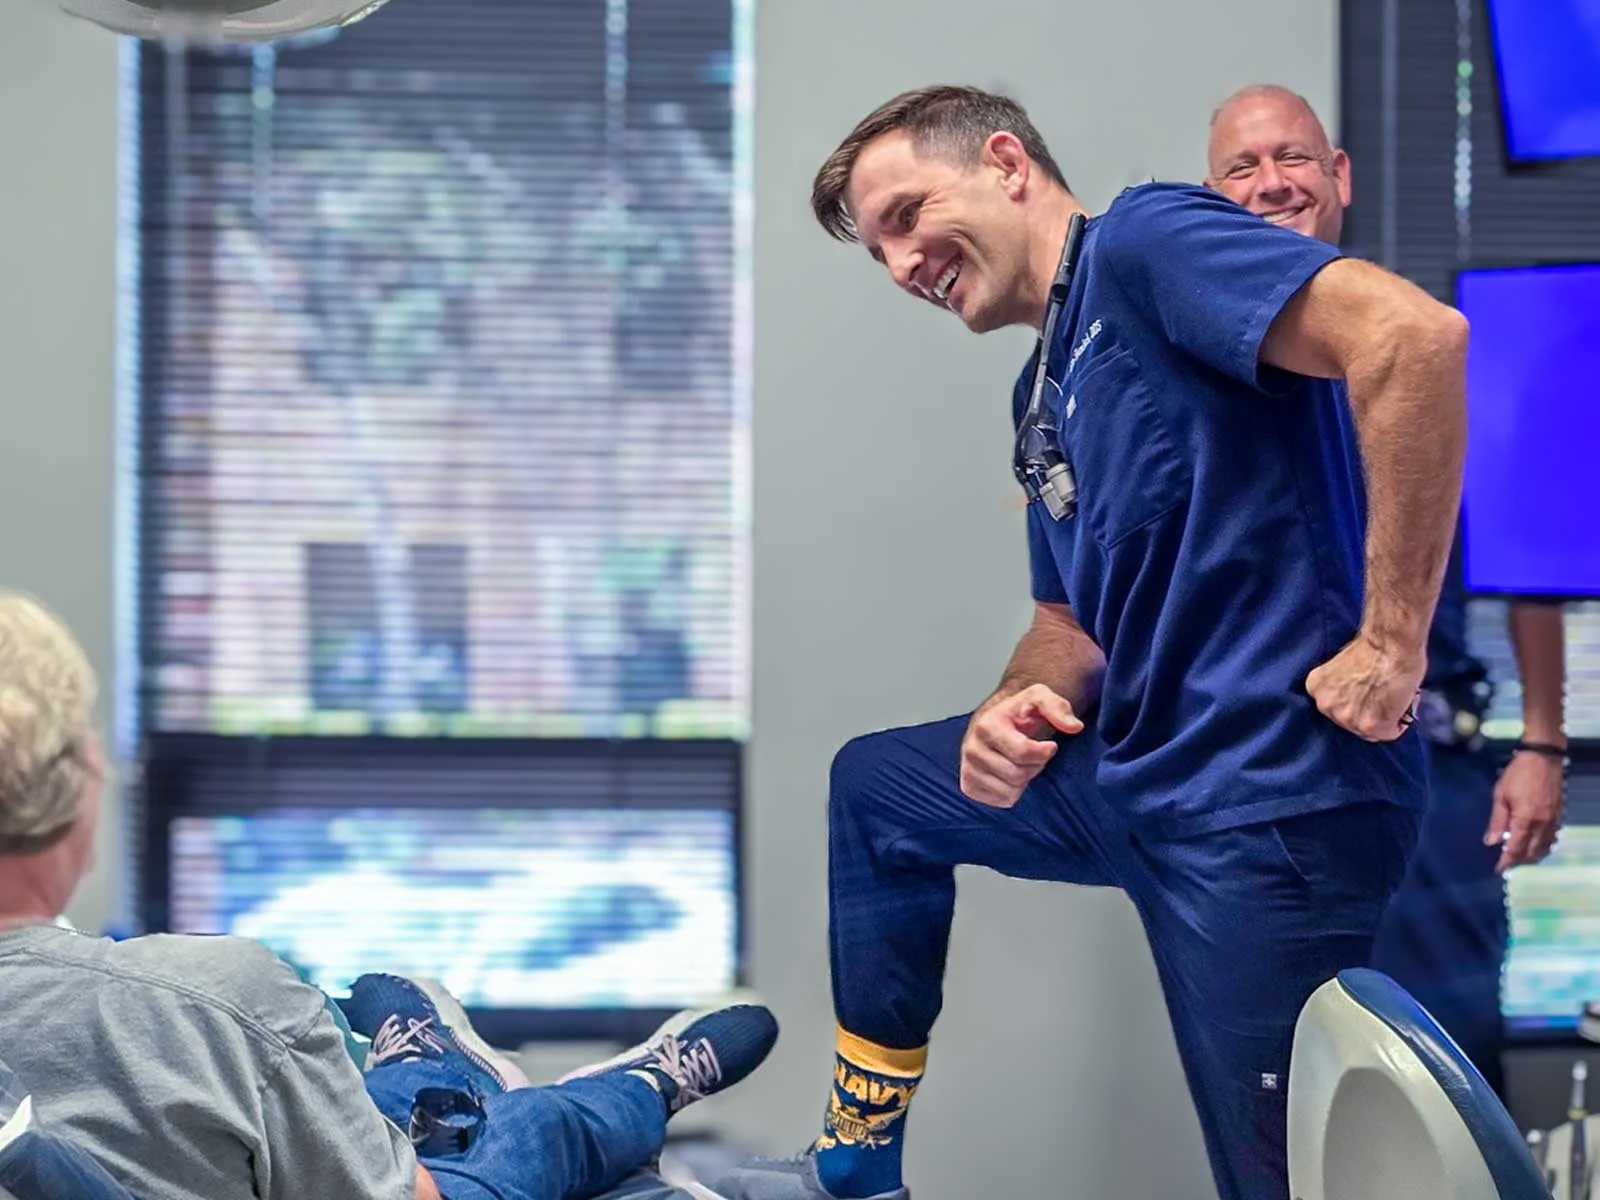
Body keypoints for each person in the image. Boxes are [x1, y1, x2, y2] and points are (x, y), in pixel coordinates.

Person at [708, 84, 1470, 1200]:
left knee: (1283, 1179)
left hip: (1269, 800)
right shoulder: (1040, 388)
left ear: (1006, 163)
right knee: (880, 790)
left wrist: (1391, 643)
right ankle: (858, 1156)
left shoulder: (1149, 242)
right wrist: (1011, 704)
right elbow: (1064, 625)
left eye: (909, 217)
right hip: (1144, 778)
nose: (901, 266)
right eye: (879, 250)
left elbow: (1412, 338)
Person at [0, 589, 775, 1200]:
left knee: (339, 1107)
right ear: (73, 783)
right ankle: (636, 1083)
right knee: (526, 1136)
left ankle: (424, 1055)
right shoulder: (215, 1008)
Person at [1203, 82, 1569, 1098]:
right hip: (1258, 785)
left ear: (1339, 177)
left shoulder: (1423, 341)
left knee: (1446, 1074)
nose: (1271, 184)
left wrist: (1541, 740)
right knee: (1284, 1089)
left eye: (1293, 159)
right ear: (1208, 198)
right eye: (1242, 167)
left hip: (1428, 777)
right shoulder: (1199, 375)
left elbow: (1519, 553)